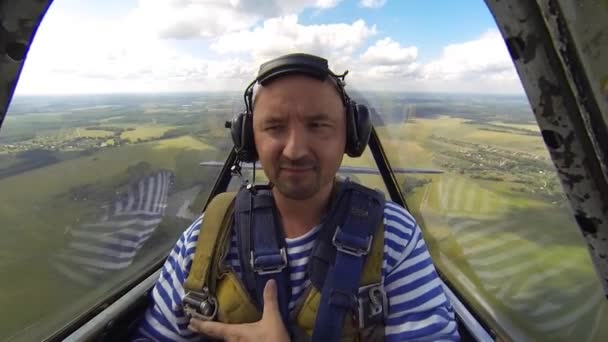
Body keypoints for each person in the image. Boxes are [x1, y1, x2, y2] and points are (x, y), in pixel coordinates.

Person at [132, 53, 459, 341]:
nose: (296, 150)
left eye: (318, 125)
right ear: (250, 140)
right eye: (274, 127)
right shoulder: (204, 240)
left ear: (350, 135)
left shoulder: (393, 238)